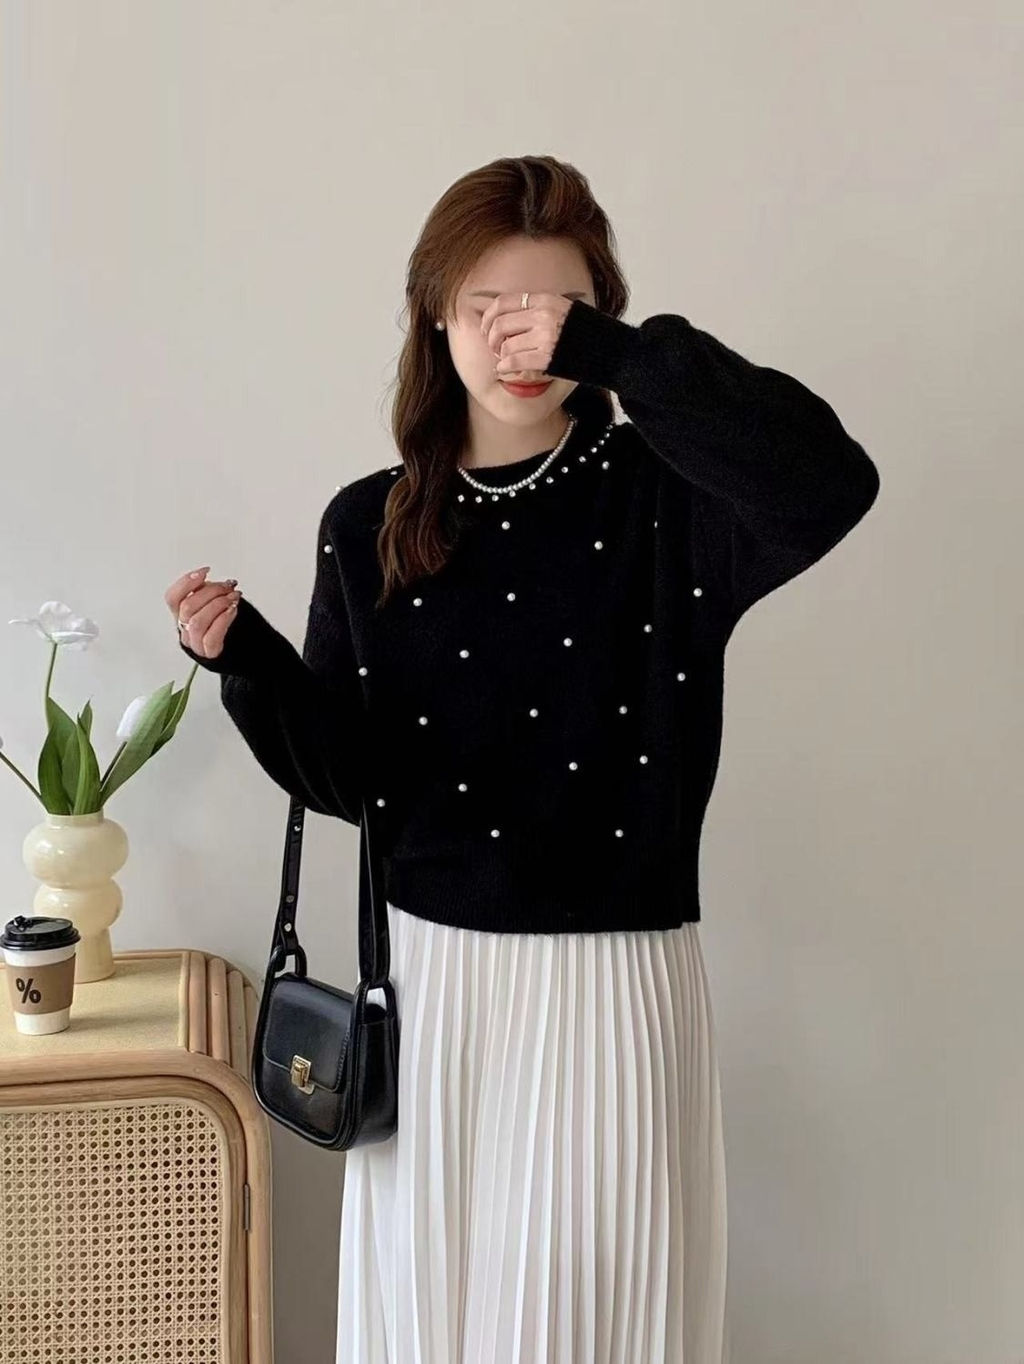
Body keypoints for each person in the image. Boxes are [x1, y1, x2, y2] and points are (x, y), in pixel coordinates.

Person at [166, 154, 880, 1364]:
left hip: (616, 986)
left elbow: (827, 482)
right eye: (486, 305)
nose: (520, 335)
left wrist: (621, 357)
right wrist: (247, 659)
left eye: (555, 307)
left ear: (595, 318)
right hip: (435, 987)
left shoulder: (668, 498)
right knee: (439, 1320)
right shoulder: (371, 519)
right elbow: (348, 779)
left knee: (594, 1323)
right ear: (434, 318)